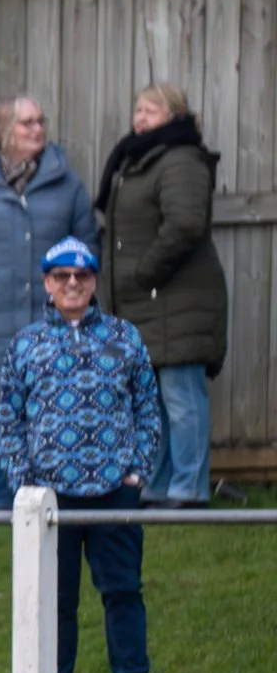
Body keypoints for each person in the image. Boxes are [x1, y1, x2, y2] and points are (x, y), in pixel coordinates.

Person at [0, 237, 170, 673]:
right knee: (54, 603)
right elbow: (8, 420)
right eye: (61, 276)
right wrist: (24, 483)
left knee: (123, 594)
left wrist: (138, 470)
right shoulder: (25, 344)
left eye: (83, 276)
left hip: (115, 491)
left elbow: (146, 408)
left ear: (94, 281)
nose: (73, 284)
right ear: (47, 284)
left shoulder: (124, 337)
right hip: (49, 499)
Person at [0, 95, 98, 506]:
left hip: (55, 319)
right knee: (5, 410)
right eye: (27, 123)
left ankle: (54, 499)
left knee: (58, 408)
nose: (38, 129)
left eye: (41, 121)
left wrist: (73, 292)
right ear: (4, 130)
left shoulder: (67, 182)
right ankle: (7, 503)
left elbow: (86, 242)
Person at [98, 83, 226, 508]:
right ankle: (159, 486)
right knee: (154, 402)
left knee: (182, 399)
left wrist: (143, 272)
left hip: (177, 302)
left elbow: (185, 224)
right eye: (137, 109)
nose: (140, 118)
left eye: (151, 110)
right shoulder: (139, 160)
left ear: (174, 116)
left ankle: (189, 488)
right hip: (147, 304)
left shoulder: (180, 159)